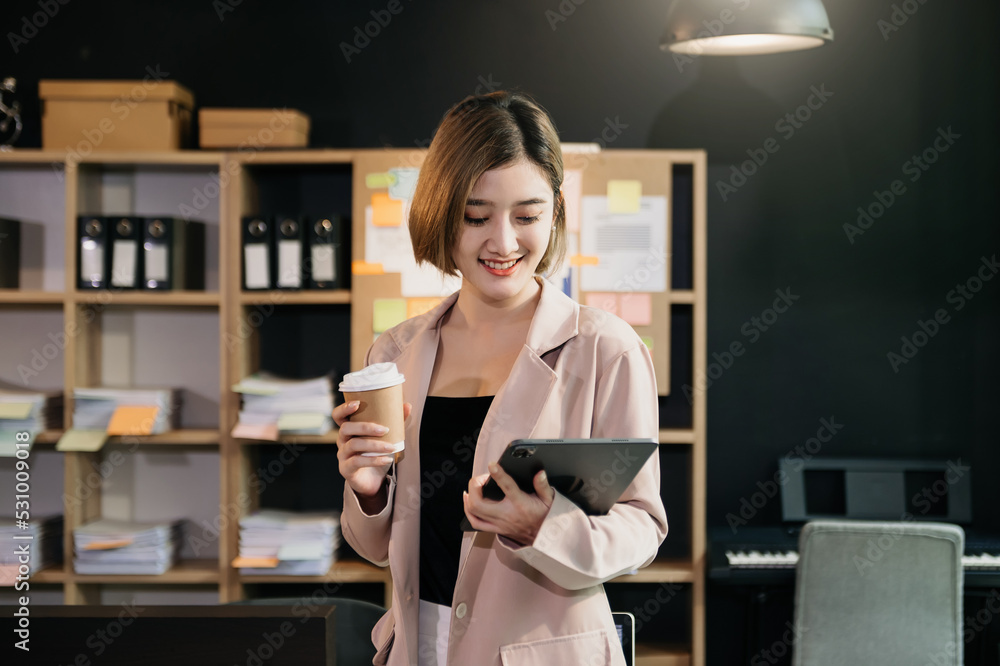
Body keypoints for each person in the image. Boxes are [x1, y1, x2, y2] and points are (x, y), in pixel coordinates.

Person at [334, 90, 667, 666]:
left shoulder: (605, 350)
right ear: (441, 210)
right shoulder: (395, 353)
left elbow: (643, 527)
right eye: (476, 216)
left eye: (528, 216)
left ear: (556, 210)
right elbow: (375, 549)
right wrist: (368, 490)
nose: (505, 243)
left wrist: (549, 526)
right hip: (418, 647)